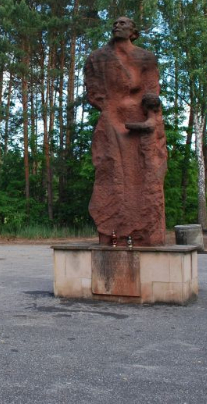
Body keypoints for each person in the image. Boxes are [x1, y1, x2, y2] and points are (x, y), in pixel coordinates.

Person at [84, 17, 167, 246]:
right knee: (110, 175)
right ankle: (111, 231)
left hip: (140, 126)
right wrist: (112, 115)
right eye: (115, 23)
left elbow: (152, 95)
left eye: (123, 23)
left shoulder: (145, 58)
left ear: (133, 32)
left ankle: (144, 233)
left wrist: (150, 119)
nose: (117, 26)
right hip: (111, 120)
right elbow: (95, 93)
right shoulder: (97, 58)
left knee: (147, 176)